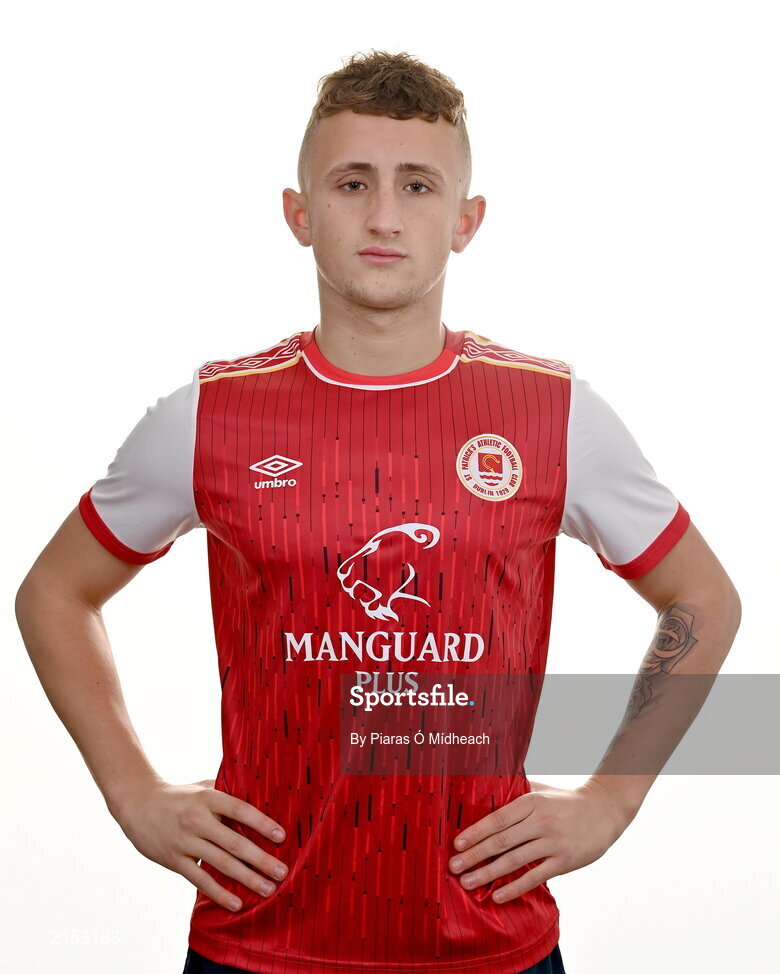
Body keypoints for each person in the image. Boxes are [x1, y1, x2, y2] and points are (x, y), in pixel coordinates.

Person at [15, 49, 741, 974]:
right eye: (353, 183)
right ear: (299, 212)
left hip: (492, 945)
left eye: (418, 186)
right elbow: (54, 593)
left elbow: (705, 599)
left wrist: (614, 798)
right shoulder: (209, 416)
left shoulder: (553, 414)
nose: (385, 216)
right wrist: (132, 792)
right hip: (257, 941)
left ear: (466, 220)